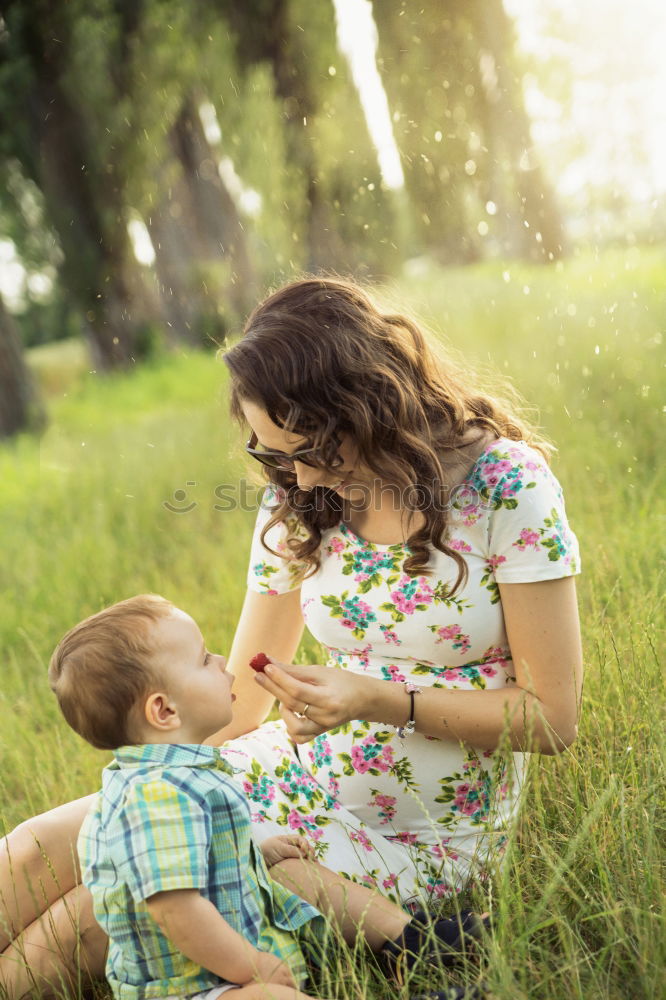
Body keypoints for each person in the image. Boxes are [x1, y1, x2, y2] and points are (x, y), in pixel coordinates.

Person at [0, 277, 583, 995]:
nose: (298, 475)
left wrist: (376, 699)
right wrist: (158, 801)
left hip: (417, 832)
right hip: (288, 775)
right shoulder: (301, 493)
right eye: (276, 456)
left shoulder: (505, 486)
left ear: (368, 408)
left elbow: (552, 719)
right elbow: (242, 704)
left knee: (96, 910)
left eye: (310, 450)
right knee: (35, 851)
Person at [44, 593, 484, 1000]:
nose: (222, 662)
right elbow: (175, 908)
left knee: (299, 880)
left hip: (213, 970)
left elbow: (201, 855)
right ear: (165, 710)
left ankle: (415, 946)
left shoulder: (178, 775)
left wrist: (257, 852)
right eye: (203, 660)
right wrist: (250, 966)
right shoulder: (160, 795)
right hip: (193, 987)